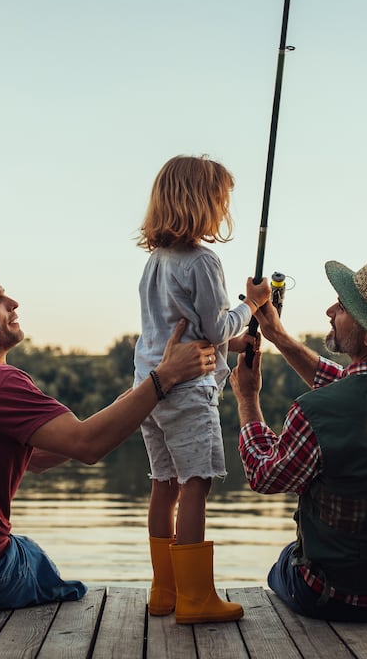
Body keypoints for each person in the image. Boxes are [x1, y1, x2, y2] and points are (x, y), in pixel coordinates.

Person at [0, 265, 217, 613]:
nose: (13, 303)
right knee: (38, 562)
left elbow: (41, 457)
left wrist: (142, 391)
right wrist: (165, 377)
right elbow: (87, 445)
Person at [229, 254, 367, 622]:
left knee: (284, 561)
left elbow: (263, 474)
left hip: (334, 596)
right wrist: (280, 339)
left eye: (343, 306)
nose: (330, 309)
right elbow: (356, 388)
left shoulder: (315, 412)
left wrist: (247, 399)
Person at [132, 155, 273, 624]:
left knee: (164, 484)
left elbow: (184, 326)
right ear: (202, 203)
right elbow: (211, 328)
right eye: (221, 200)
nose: (223, 208)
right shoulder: (203, 261)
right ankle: (195, 598)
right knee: (197, 483)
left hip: (151, 389)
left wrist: (232, 340)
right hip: (189, 391)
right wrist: (249, 307)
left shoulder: (156, 261)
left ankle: (163, 590)